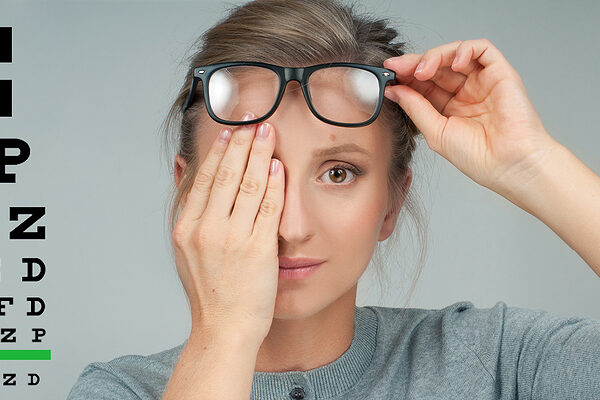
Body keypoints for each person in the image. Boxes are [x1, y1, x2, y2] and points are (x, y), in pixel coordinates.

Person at [66, 0, 600, 399]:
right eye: (252, 173)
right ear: (190, 194)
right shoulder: (121, 390)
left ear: (391, 203)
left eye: (339, 172)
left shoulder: (495, 362)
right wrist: (223, 334)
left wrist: (533, 165)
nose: (291, 226)